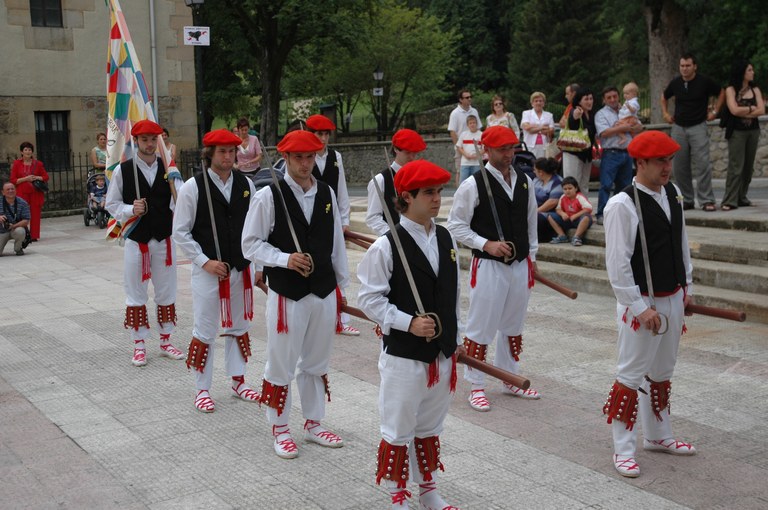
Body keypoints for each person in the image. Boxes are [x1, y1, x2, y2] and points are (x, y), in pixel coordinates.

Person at [358, 160, 463, 510]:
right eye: (429, 193)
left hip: (441, 353)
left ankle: (428, 489)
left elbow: (452, 295)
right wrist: (407, 322)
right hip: (404, 355)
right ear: (406, 197)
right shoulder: (387, 246)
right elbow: (369, 299)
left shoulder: (446, 237)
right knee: (399, 424)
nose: (437, 199)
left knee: (431, 424)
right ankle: (397, 492)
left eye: (439, 192)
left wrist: (455, 339)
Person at [241, 129, 349, 459]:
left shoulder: (327, 192)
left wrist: (339, 287)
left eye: (311, 157)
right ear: (285, 158)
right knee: (282, 362)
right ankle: (280, 427)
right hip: (288, 294)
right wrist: (284, 259)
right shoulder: (268, 195)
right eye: (298, 157)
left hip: (323, 290)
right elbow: (250, 244)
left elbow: (337, 245)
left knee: (316, 361)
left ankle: (314, 422)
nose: (305, 164)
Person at [601, 130, 696, 478]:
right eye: (660, 161)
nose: (668, 167)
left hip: (672, 297)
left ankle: (658, 436)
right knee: (630, 375)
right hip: (641, 303)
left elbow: (681, 241)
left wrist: (687, 286)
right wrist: (640, 308)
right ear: (640, 163)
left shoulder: (673, 193)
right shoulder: (622, 204)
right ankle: (623, 449)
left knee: (662, 373)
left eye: (670, 159)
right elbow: (618, 264)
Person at [447, 125, 540, 412]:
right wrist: (485, 243)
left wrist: (532, 257)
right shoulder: (473, 184)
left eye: (512, 148)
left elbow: (530, 222)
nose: (509, 154)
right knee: (481, 325)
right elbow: (455, 225)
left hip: (519, 264)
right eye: (503, 149)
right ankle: (476, 385)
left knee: (513, 324)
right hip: (488, 265)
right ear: (486, 151)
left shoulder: (525, 181)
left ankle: (509, 377)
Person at [173, 129, 260, 412]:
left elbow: (256, 230)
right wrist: (203, 261)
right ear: (209, 153)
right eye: (222, 151)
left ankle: (238, 380)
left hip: (240, 268)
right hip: (209, 271)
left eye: (232, 151)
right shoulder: (193, 187)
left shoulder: (247, 184)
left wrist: (256, 267)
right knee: (206, 328)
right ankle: (202, 388)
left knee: (239, 326)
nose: (227, 156)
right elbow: (181, 232)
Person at [105, 119, 186, 367]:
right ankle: (139, 344)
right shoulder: (124, 169)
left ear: (160, 140)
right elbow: (111, 204)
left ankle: (165, 340)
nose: (150, 144)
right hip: (137, 238)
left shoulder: (169, 169)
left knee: (166, 290)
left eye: (154, 139)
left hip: (163, 237)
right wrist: (132, 208)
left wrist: (176, 190)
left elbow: (182, 203)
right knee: (135, 292)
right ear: (136, 141)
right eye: (145, 140)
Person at [305, 114, 359, 337]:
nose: (324, 138)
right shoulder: (305, 157)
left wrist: (344, 220)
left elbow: (342, 189)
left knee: (338, 261)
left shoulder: (336, 156)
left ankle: (342, 316)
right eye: (319, 133)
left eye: (326, 134)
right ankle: (317, 313)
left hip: (332, 215)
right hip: (310, 217)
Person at [661, 53, 723, 211]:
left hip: (698, 126)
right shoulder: (676, 83)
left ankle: (707, 200)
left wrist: (715, 112)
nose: (685, 69)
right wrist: (666, 113)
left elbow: (721, 92)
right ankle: (686, 199)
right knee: (679, 166)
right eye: (682, 66)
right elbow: (664, 96)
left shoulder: (704, 81)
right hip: (679, 127)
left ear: (694, 66)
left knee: (702, 164)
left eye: (688, 65)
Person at [594, 86, 643, 225]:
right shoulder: (601, 114)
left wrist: (636, 127)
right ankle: (601, 214)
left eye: (615, 96)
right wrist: (624, 128)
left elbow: (639, 126)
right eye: (609, 97)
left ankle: (620, 212)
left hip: (627, 153)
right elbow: (603, 133)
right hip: (611, 153)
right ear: (604, 100)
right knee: (606, 185)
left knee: (625, 186)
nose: (613, 99)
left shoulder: (625, 109)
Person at [720, 60, 764, 211]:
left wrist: (745, 109)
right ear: (742, 72)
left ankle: (742, 197)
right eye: (750, 70)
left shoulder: (755, 89)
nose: (753, 73)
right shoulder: (731, 90)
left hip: (753, 131)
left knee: (748, 166)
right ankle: (730, 199)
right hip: (737, 132)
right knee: (736, 166)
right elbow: (734, 110)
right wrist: (752, 109)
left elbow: (762, 110)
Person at [366, 129, 427, 236]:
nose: (412, 157)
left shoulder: (420, 177)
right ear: (396, 149)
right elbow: (373, 218)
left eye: (415, 153)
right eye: (408, 152)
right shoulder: (381, 180)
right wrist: (393, 235)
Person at [10, 142, 49, 242]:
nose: (28, 152)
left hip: (35, 192)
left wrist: (37, 177)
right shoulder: (16, 164)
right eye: (26, 150)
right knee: (21, 214)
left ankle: (34, 235)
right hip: (21, 192)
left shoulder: (38, 164)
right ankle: (22, 234)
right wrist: (25, 178)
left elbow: (46, 177)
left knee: (35, 214)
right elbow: (13, 180)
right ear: (21, 152)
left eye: (30, 150)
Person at [563, 88, 597, 196]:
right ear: (579, 101)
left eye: (591, 99)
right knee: (572, 183)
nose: (589, 102)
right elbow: (572, 117)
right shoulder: (575, 110)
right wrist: (576, 114)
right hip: (573, 152)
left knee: (584, 184)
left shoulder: (591, 114)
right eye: (586, 99)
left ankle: (583, 207)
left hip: (586, 154)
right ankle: (570, 208)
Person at [547, 176, 593, 246]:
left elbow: (588, 208)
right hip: (568, 219)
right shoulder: (563, 197)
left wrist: (576, 215)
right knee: (550, 216)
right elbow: (558, 209)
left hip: (579, 220)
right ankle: (562, 236)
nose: (567, 191)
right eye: (565, 189)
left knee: (586, 217)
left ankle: (576, 237)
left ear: (576, 188)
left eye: (570, 188)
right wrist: (562, 214)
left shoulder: (579, 197)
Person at [448, 89, 481, 177]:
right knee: (460, 172)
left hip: (475, 147)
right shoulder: (455, 113)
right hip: (461, 147)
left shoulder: (474, 111)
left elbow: (479, 128)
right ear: (461, 100)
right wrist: (457, 147)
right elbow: (452, 131)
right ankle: (459, 191)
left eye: (470, 97)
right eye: (467, 97)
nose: (469, 99)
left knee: (476, 174)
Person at [533, 157, 563, 240]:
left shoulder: (557, 182)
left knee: (535, 218)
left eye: (535, 170)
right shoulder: (536, 181)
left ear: (541, 172)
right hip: (536, 209)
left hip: (550, 213)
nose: (533, 172)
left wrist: (534, 212)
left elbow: (552, 202)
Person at [521, 92, 555, 158]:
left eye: (540, 101)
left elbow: (551, 131)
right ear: (532, 103)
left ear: (543, 103)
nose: (538, 103)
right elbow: (527, 128)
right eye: (536, 101)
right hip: (529, 146)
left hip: (544, 146)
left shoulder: (549, 115)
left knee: (543, 166)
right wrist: (542, 127)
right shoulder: (526, 113)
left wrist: (533, 127)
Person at [0, 182, 30, 256]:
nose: (10, 191)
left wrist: (13, 226)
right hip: (1, 231)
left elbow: (26, 220)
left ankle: (18, 248)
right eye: (8, 189)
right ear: (3, 192)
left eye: (12, 189)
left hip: (15, 229)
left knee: (20, 231)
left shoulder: (22, 203)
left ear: (15, 190)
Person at [455, 115, 483, 184]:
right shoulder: (464, 134)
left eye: (474, 123)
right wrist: (466, 155)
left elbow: (485, 148)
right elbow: (459, 146)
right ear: (467, 125)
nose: (472, 124)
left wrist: (477, 154)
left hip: (477, 163)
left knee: (476, 182)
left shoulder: (481, 134)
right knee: (463, 183)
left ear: (477, 124)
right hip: (465, 163)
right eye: (470, 123)